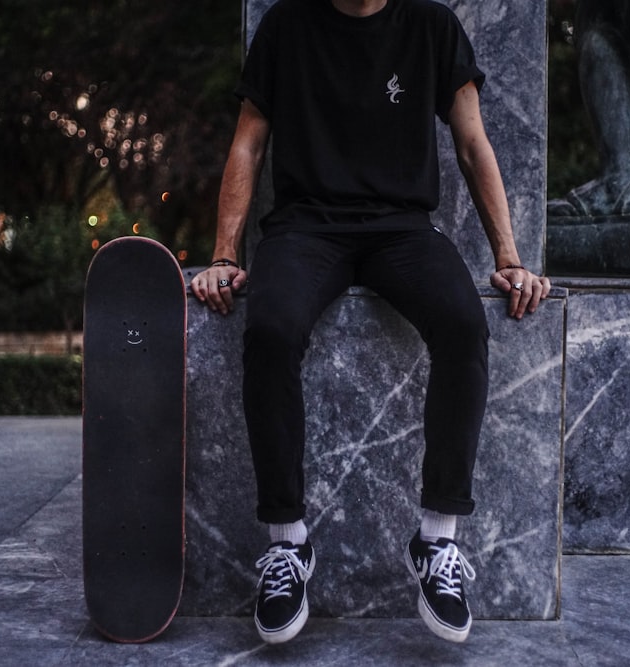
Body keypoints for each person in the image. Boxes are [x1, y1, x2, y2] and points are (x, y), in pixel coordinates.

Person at [191, 0, 550, 644]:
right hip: (306, 229)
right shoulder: (286, 26)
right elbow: (248, 143)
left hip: (401, 230)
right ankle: (287, 546)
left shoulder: (431, 27)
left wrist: (510, 257)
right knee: (270, 330)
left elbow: (472, 142)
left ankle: (437, 544)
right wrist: (224, 254)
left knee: (464, 325)